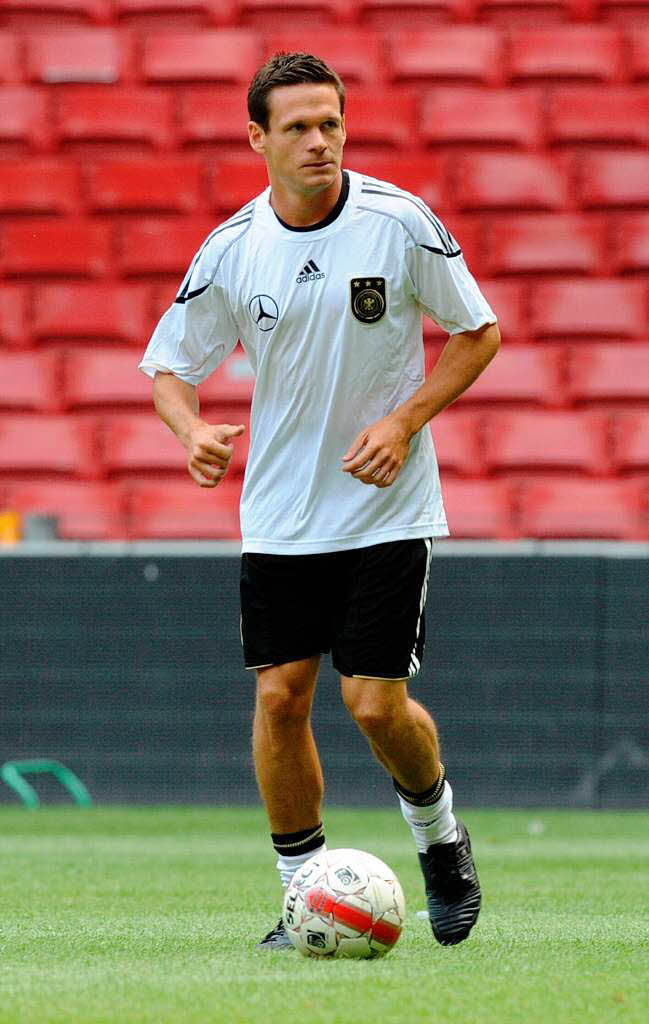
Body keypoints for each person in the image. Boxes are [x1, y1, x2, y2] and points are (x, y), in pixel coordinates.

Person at [139, 52, 500, 951]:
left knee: (372, 705)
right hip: (280, 517)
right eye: (296, 126)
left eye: (330, 122)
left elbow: (478, 330)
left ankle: (440, 841)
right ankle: (300, 891)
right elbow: (168, 368)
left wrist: (407, 419)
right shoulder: (233, 248)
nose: (318, 140)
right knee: (280, 700)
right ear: (256, 138)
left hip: (384, 509)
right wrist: (191, 434)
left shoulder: (398, 222)